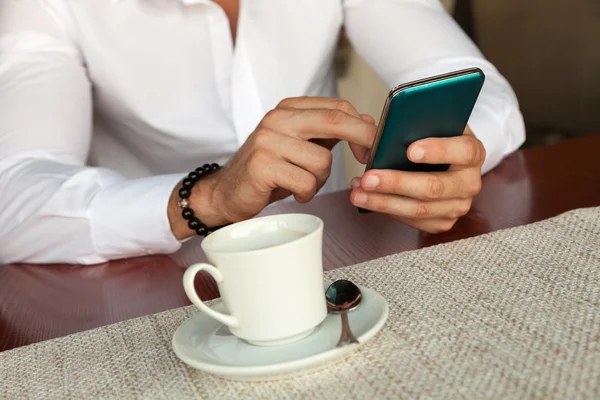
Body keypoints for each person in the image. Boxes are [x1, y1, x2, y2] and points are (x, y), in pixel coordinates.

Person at [0, 0, 525, 265]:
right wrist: (206, 198)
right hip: (151, 277)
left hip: (336, 257)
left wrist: (444, 159)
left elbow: (482, 91)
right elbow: (12, 193)